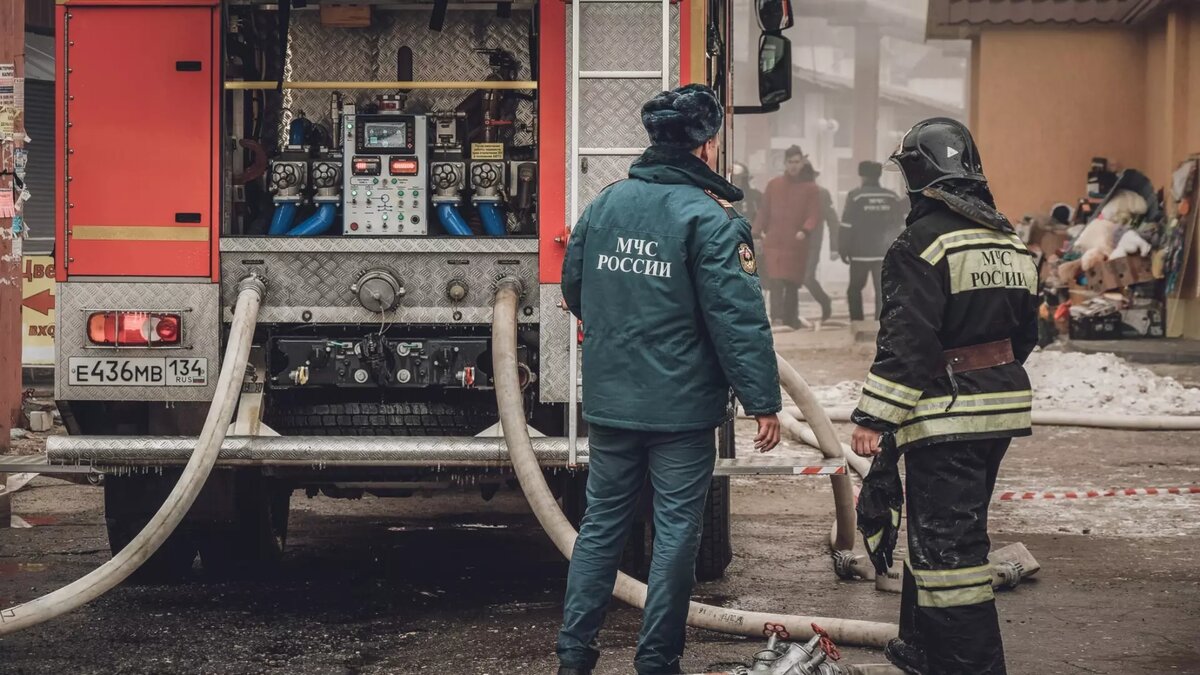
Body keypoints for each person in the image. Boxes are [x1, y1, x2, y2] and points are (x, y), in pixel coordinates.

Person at [558, 83, 782, 675]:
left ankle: (574, 655)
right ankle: (656, 660)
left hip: (610, 403)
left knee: (601, 527)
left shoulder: (606, 204)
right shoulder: (709, 218)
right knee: (676, 531)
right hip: (680, 411)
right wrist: (762, 401)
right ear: (705, 146)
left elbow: (574, 288)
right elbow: (737, 322)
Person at [848, 118, 1040, 675]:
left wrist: (874, 418)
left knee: (950, 555)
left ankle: (973, 665)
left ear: (917, 175)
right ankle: (921, 646)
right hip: (998, 413)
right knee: (942, 534)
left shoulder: (920, 244)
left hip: (946, 418)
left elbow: (907, 342)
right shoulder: (1009, 240)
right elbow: (1025, 336)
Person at [754, 145, 822, 328]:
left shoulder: (811, 189)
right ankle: (777, 317)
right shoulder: (774, 185)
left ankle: (791, 319)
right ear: (785, 163)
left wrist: (805, 230)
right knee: (775, 280)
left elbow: (814, 214)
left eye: (797, 162)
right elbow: (764, 211)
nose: (793, 166)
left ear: (802, 163)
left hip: (796, 243)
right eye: (790, 162)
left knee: (792, 283)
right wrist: (756, 231)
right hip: (774, 241)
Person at [839, 161, 904, 321]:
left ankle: (857, 322)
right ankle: (881, 323)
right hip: (884, 253)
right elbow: (900, 225)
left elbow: (846, 225)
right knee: (882, 290)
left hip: (859, 253)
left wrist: (842, 248)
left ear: (862, 175)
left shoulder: (856, 196)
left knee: (854, 289)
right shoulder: (892, 197)